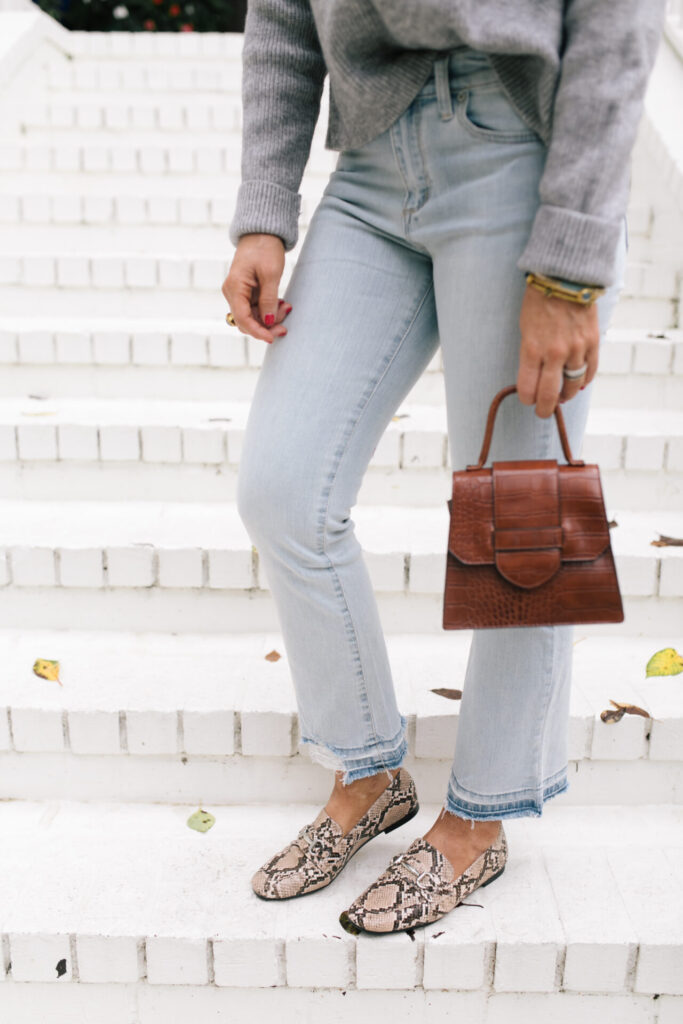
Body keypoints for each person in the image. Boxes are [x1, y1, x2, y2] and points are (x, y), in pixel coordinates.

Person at [223, 0, 666, 934]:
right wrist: (263, 212)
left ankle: (479, 821)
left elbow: (617, 27)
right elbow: (282, 19)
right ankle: (369, 767)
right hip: (371, 164)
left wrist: (570, 263)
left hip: (521, 155)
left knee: (521, 516)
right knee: (281, 488)